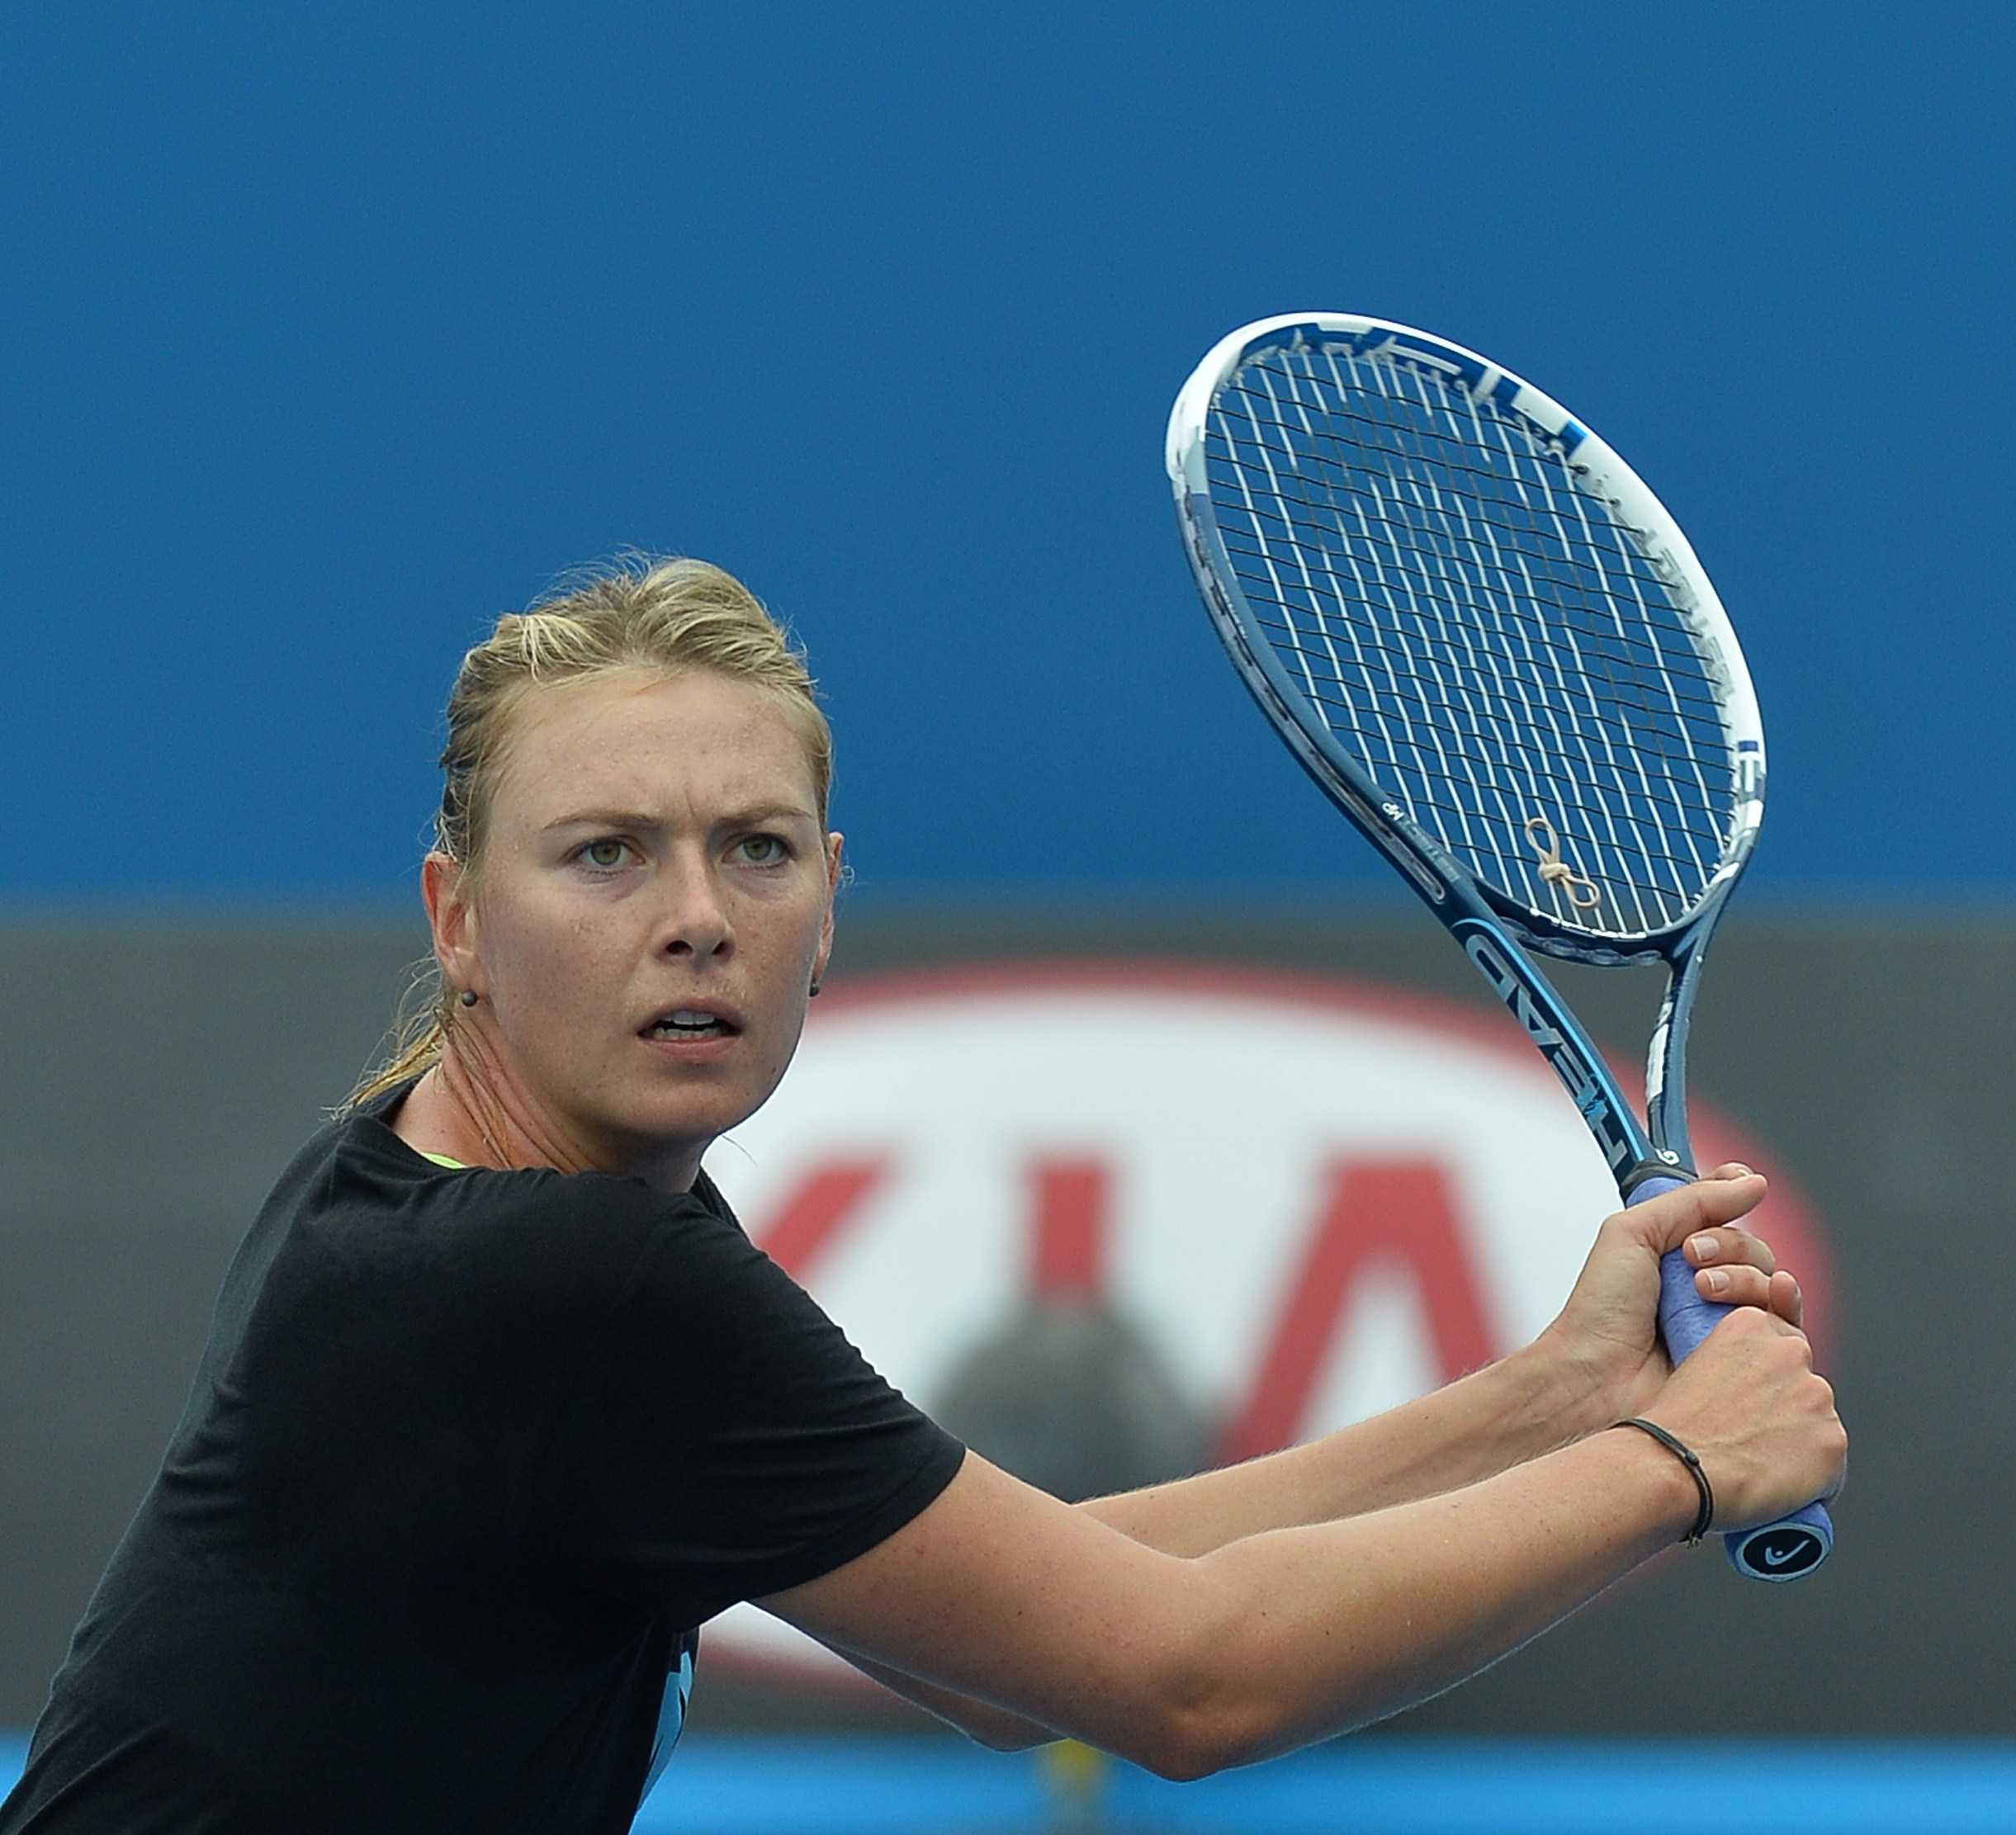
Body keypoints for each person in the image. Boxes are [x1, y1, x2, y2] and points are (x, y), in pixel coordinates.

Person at [0, 559, 1845, 1833]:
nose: (696, 915)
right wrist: (1674, 1472)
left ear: (827, 905)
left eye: (755, 850)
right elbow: (1187, 1683)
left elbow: (1015, 1652)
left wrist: (1553, 1401)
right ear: (458, 918)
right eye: (605, 855)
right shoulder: (569, 1277)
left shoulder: (442, 1186)